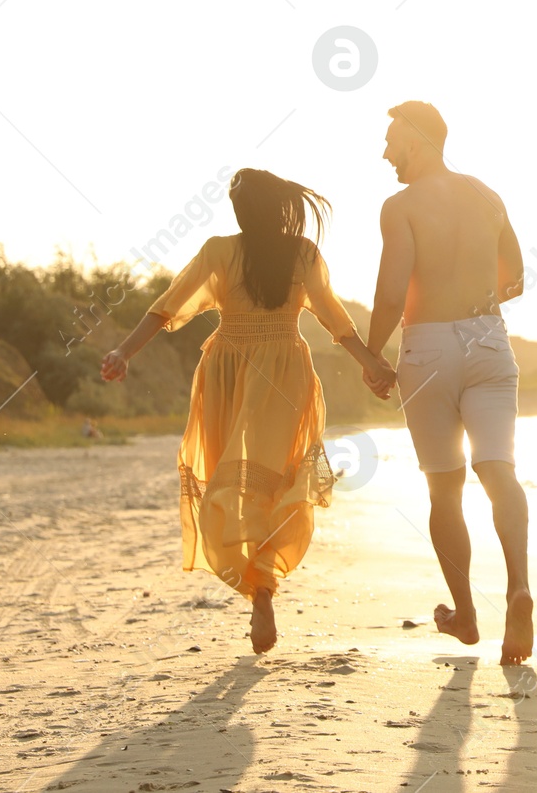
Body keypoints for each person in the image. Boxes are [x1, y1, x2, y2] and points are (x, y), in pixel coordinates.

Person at [101, 169, 394, 654]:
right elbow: (334, 319)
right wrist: (371, 364)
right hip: (283, 370)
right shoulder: (301, 251)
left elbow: (166, 306)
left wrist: (124, 352)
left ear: (243, 210)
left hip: (228, 367)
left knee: (228, 480)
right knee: (274, 478)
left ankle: (259, 583)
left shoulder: (220, 250)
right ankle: (263, 585)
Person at [360, 102, 532, 665]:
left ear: (416, 137)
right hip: (488, 340)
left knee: (444, 487)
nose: (385, 152)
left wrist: (370, 355)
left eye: (390, 139)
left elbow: (390, 293)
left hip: (428, 346)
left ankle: (465, 613)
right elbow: (517, 279)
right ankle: (518, 588)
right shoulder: (488, 196)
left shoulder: (400, 207)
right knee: (498, 470)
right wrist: (473, 300)